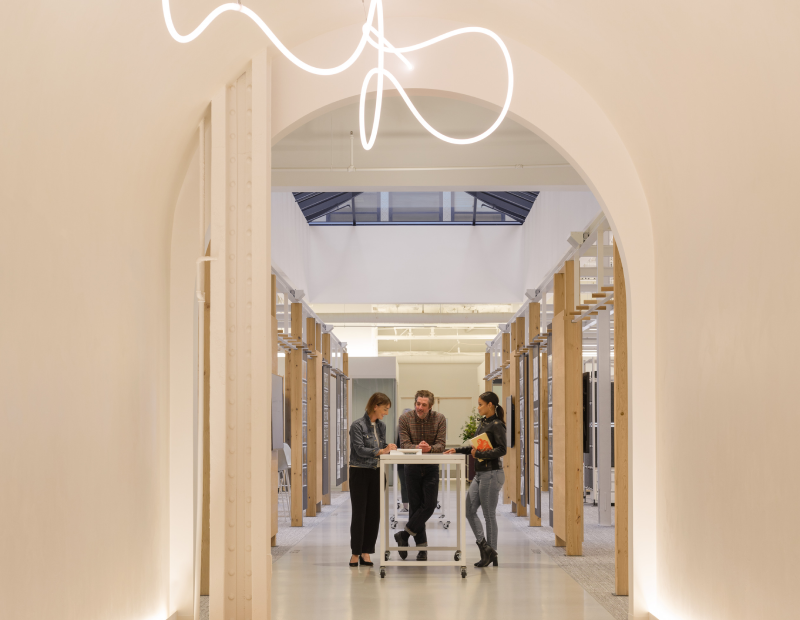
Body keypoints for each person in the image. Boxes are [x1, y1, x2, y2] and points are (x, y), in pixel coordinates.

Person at [445, 391, 506, 567]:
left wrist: (478, 453)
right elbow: (475, 447)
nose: (478, 407)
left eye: (481, 404)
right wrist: (457, 450)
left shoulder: (497, 425)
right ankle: (484, 546)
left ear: (490, 405)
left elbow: (502, 450)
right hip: (480, 474)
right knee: (468, 510)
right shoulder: (484, 423)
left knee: (488, 515)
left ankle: (492, 553)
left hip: (491, 474)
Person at [394, 390, 447, 561]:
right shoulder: (404, 419)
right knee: (415, 508)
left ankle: (404, 535)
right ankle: (422, 549)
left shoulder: (440, 419)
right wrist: (419, 447)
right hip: (412, 468)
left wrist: (430, 448)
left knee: (430, 505)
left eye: (424, 405)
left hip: (431, 467)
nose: (420, 407)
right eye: (418, 403)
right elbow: (405, 444)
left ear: (430, 406)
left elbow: (441, 444)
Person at [348, 392, 397, 567]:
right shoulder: (357, 426)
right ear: (375, 406)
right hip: (359, 472)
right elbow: (360, 450)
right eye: (385, 409)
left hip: (377, 472)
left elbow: (381, 446)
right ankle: (355, 552)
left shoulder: (381, 426)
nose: (386, 413)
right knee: (359, 513)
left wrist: (388, 448)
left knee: (373, 514)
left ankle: (366, 551)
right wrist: (381, 451)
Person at [395, 409, 413, 512]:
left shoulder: (415, 429)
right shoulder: (399, 429)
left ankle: (414, 505)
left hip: (413, 461)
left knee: (412, 484)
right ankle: (406, 506)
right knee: (404, 483)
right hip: (401, 460)